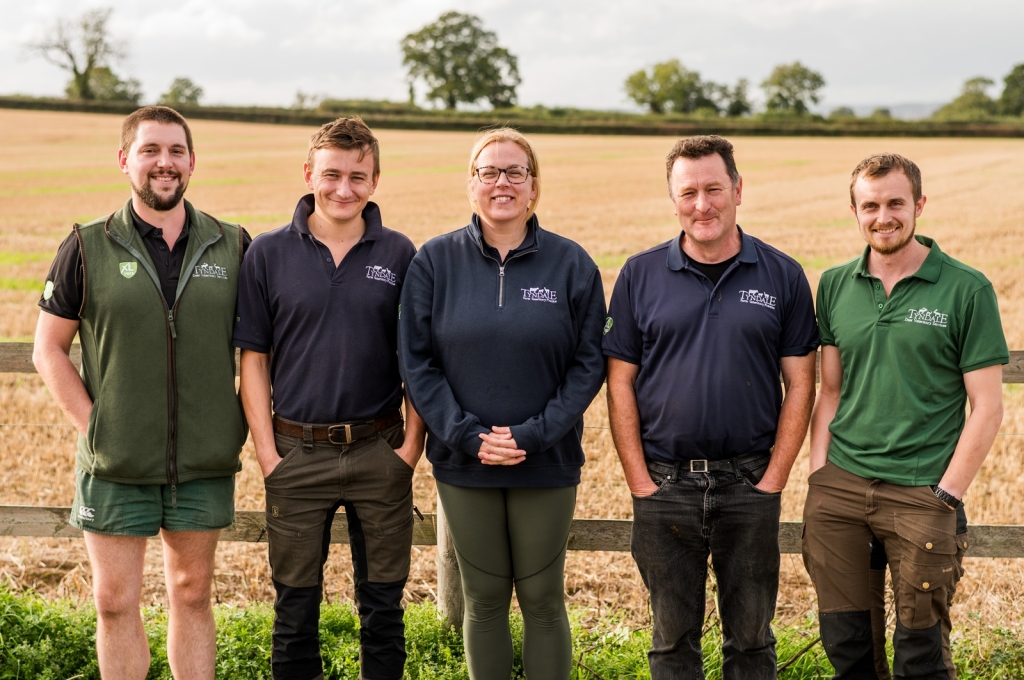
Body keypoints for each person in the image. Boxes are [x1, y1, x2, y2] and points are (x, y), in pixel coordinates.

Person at [32, 105, 248, 679]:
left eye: (176, 151)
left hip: (204, 459)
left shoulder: (233, 246)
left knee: (193, 594)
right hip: (114, 463)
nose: (164, 163)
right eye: (150, 150)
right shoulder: (85, 245)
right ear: (125, 160)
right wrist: (95, 427)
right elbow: (47, 349)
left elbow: (261, 352)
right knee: (114, 601)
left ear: (193, 162)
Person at [603, 134, 819, 679]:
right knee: (671, 641)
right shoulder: (640, 275)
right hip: (665, 486)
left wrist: (773, 480)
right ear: (672, 198)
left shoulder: (782, 275)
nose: (703, 205)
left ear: (738, 190)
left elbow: (801, 384)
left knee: (750, 640)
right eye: (689, 192)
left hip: (748, 484)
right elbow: (620, 382)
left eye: (714, 189)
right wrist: (639, 482)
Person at [398, 127, 606, 680]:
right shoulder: (434, 263)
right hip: (465, 462)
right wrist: (468, 435)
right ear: (471, 184)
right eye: (488, 171)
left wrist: (535, 434)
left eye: (515, 171)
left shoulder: (572, 264)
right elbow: (417, 363)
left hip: (547, 460)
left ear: (534, 187)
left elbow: (589, 365)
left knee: (542, 597)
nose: (502, 183)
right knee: (484, 598)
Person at [234, 116, 426, 680]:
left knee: (384, 610)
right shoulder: (267, 253)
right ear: (308, 173)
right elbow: (253, 359)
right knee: (294, 613)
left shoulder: (399, 253)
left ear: (376, 180)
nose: (344, 189)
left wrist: (410, 449)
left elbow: (415, 359)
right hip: (296, 451)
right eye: (332, 175)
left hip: (380, 450)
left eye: (358, 177)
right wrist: (270, 457)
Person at [803, 153, 1008, 679]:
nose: (883, 216)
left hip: (922, 494)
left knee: (920, 655)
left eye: (896, 202)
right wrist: (819, 478)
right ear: (854, 210)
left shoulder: (967, 289)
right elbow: (830, 390)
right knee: (848, 648)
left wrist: (947, 494)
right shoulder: (834, 285)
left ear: (919, 205)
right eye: (869, 205)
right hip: (841, 492)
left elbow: (987, 406)